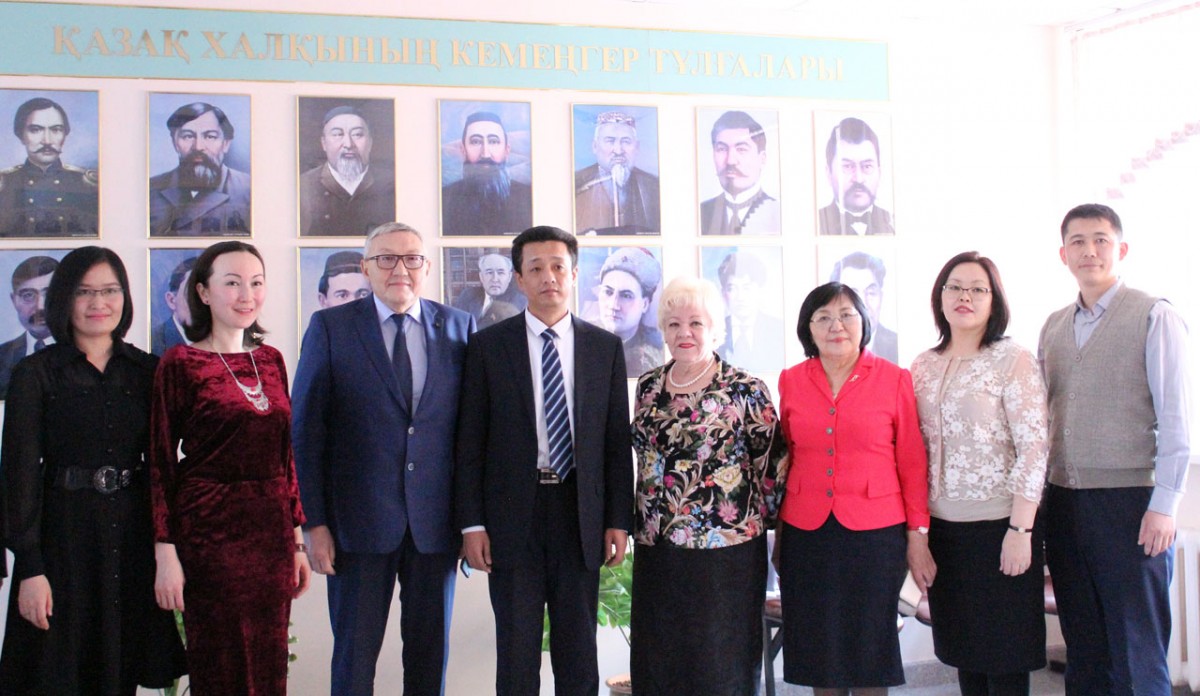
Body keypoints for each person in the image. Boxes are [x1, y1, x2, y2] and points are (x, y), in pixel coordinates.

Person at [293, 222, 474, 695]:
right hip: (356, 527)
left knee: (429, 660)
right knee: (354, 661)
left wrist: (471, 520)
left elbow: (471, 435)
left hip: (435, 527)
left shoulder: (459, 326)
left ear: (426, 267)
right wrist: (314, 523)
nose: (400, 269)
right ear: (366, 268)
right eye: (386, 258)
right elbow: (306, 433)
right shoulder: (331, 328)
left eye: (412, 258)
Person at [455, 225, 634, 696]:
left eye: (558, 266)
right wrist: (472, 524)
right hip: (513, 515)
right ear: (519, 278)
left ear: (574, 274)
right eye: (535, 268)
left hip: (580, 514)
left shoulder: (604, 348)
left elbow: (616, 443)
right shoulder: (489, 346)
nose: (548, 276)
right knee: (516, 653)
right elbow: (470, 443)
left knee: (579, 653)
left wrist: (618, 519)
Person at [0, 246, 186, 694]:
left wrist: (168, 551)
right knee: (55, 673)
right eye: (84, 292)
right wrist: (30, 567)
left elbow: (164, 468)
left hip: (131, 541)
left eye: (109, 290)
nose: (98, 303)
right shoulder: (35, 373)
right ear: (64, 298)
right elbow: (19, 475)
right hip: (61, 542)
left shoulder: (148, 371)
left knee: (119, 671)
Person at [1039, 203, 1190, 695]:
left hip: (1131, 506)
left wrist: (1165, 506)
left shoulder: (1154, 315)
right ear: (1063, 254)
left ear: (1120, 249)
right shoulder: (1053, 326)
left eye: (1100, 240)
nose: (1089, 250)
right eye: (1078, 242)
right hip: (1064, 504)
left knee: (1137, 653)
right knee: (1084, 651)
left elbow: (1176, 420)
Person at [150, 241, 311, 693]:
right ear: (203, 292)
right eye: (233, 283)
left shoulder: (271, 360)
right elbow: (160, 462)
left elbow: (285, 456)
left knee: (269, 663)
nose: (247, 295)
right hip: (209, 534)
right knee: (220, 665)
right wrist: (165, 550)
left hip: (271, 534)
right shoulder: (181, 363)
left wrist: (297, 540)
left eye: (256, 283)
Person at [629, 276, 788, 694]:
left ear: (715, 328)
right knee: (660, 662)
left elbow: (773, 466)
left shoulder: (744, 389)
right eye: (674, 324)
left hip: (726, 554)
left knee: (720, 666)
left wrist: (771, 529)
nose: (684, 333)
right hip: (657, 549)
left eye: (696, 323)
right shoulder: (648, 387)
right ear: (662, 331)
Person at [776, 282, 932, 695]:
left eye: (846, 315)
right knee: (819, 651)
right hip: (806, 533)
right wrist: (780, 533)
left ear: (864, 322)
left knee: (869, 651)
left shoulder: (895, 379)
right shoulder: (791, 380)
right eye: (823, 317)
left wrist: (918, 535)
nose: (836, 326)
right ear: (808, 328)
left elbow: (912, 463)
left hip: (875, 535)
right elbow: (787, 456)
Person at [910, 251, 1049, 696]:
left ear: (994, 301)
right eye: (954, 286)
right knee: (964, 653)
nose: (964, 296)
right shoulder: (922, 365)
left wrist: (1021, 530)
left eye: (977, 289)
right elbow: (914, 452)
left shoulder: (1012, 359)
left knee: (1005, 658)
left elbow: (1034, 447)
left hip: (1000, 529)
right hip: (944, 533)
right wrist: (918, 534)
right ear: (940, 296)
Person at [0, 97, 98, 237]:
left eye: (56, 130)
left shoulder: (88, 185)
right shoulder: (4, 184)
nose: (47, 141)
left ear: (65, 135)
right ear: (21, 136)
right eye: (35, 130)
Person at [148, 102, 251, 236]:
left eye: (210, 136)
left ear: (226, 143)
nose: (198, 147)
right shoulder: (151, 189)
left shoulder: (249, 189)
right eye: (188, 136)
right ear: (174, 142)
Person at [299, 106, 396, 237]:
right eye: (337, 134)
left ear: (370, 143)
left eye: (357, 134)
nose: (348, 144)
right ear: (324, 143)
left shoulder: (390, 185)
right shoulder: (303, 186)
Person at [441, 111, 533, 236]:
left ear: (507, 150)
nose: (485, 154)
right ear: (463, 150)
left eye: (493, 141)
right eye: (476, 142)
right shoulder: (445, 198)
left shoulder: (527, 196)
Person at [574, 112, 660, 235]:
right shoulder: (576, 184)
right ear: (595, 146)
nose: (618, 151)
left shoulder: (654, 186)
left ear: (637, 147)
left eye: (626, 141)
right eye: (610, 141)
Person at [699, 110, 780, 236]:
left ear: (762, 159)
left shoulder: (780, 214)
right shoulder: (699, 213)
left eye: (741, 149)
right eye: (722, 149)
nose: (730, 161)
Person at [817, 117, 894, 236]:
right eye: (847, 167)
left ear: (879, 173)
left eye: (867, 166)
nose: (858, 179)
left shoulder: (894, 223)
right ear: (828, 173)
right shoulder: (815, 222)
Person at [594, 246, 663, 376]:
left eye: (626, 296)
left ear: (645, 304)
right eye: (608, 292)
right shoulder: (583, 340)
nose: (614, 305)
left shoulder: (656, 355)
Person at [715, 251, 785, 372]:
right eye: (732, 289)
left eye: (746, 288)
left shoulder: (778, 329)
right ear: (723, 293)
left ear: (759, 290)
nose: (740, 297)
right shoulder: (714, 331)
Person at [0, 255, 58, 399]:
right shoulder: (2, 356)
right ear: (14, 301)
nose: (40, 306)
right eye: (28, 295)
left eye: (49, 293)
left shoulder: (85, 353)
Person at [830, 252, 898, 363]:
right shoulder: (825, 346)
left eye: (871, 293)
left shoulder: (896, 343)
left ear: (881, 297)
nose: (864, 305)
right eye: (853, 294)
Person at [451, 252, 527, 329]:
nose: (495, 279)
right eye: (489, 272)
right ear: (481, 277)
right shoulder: (468, 295)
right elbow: (457, 327)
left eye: (500, 273)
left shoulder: (522, 301)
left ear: (509, 277)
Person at [150, 255, 196, 356]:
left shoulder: (224, 341)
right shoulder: (153, 343)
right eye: (192, 294)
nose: (202, 301)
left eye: (208, 293)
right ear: (171, 300)